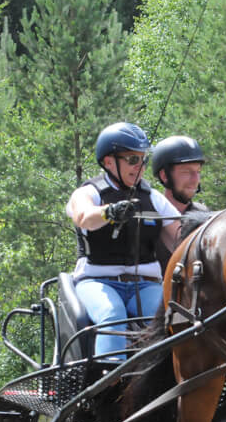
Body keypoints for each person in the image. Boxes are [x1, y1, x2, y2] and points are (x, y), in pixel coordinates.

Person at [66, 122, 182, 359]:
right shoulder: (90, 192)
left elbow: (181, 235)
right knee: (112, 314)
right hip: (98, 282)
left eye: (142, 159)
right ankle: (109, 383)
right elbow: (83, 217)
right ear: (109, 162)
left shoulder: (152, 198)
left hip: (146, 284)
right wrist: (109, 212)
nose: (139, 167)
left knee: (173, 318)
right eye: (131, 159)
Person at [150, 135, 214, 270]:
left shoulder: (203, 214)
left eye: (198, 172)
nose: (195, 179)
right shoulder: (149, 215)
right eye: (186, 172)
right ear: (164, 175)